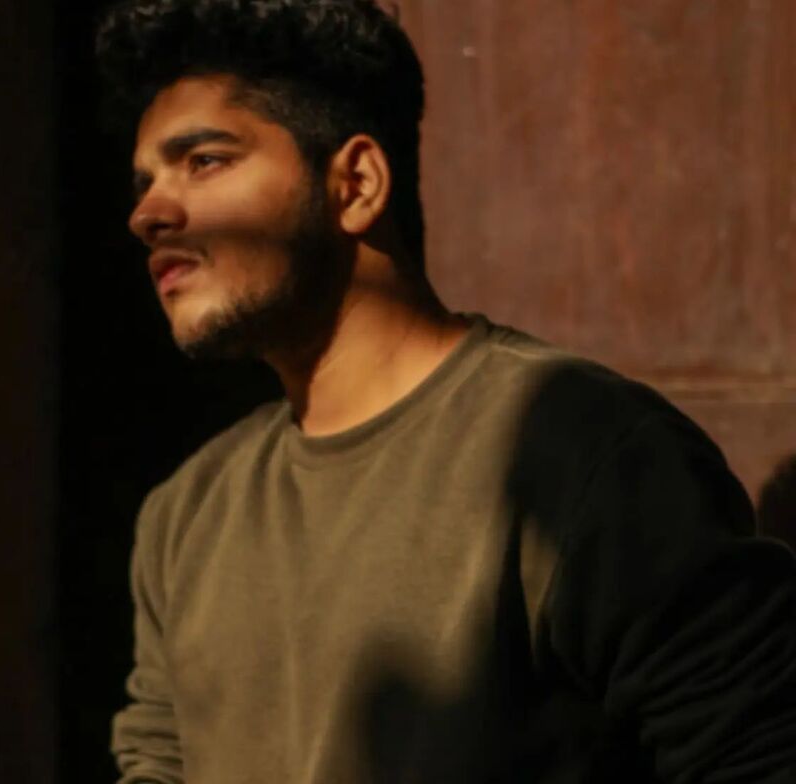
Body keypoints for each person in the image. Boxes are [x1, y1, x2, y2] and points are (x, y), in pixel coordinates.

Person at [95, 1, 796, 781]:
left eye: (204, 161)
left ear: (356, 184)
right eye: (144, 182)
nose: (146, 214)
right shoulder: (187, 512)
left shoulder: (584, 456)